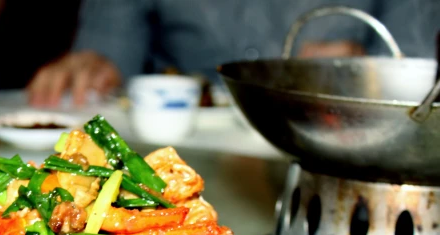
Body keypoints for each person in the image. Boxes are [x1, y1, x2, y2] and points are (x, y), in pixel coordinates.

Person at [27, 0, 440, 107]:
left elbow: (420, 75)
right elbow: (109, 48)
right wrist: (96, 62)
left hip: (340, 146)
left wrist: (366, 70)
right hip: (196, 163)